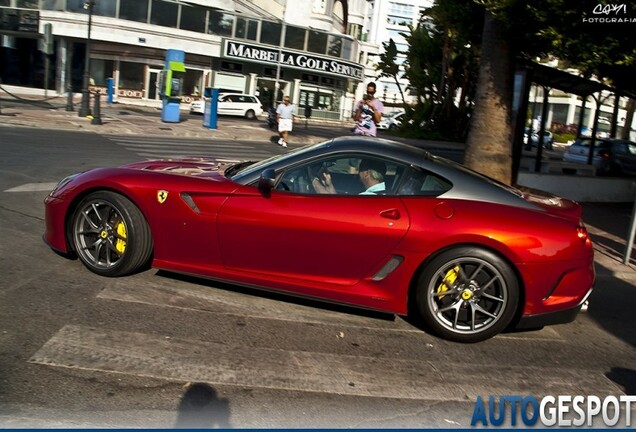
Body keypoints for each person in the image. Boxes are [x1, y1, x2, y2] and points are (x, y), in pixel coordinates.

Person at [312, 159, 386, 195]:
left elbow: (336, 209)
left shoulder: (367, 197)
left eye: (360, 169)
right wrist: (329, 184)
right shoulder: (383, 193)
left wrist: (314, 181)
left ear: (367, 173)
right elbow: (337, 204)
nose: (358, 173)